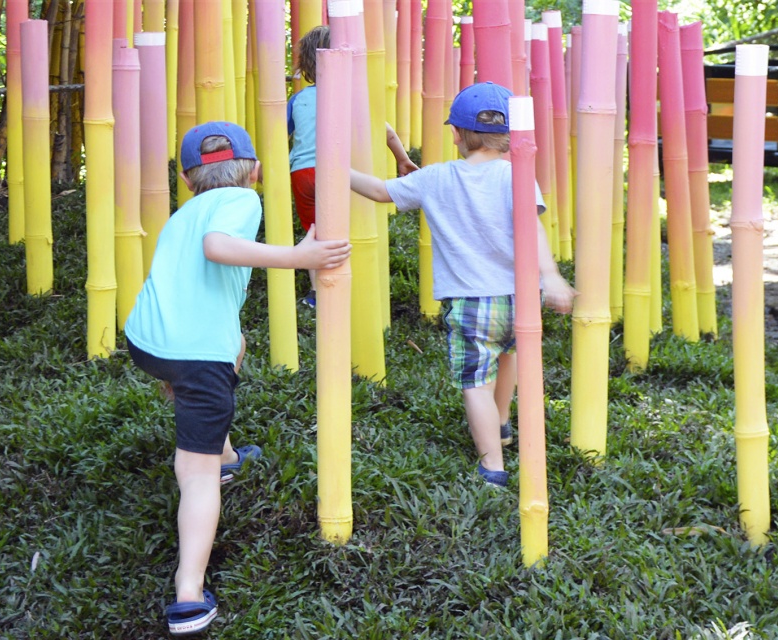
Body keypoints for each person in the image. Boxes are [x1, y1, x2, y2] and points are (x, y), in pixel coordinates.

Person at [124, 121, 351, 636]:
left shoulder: (184, 212)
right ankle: (187, 594)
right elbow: (218, 247)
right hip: (195, 355)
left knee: (238, 345)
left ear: (186, 179)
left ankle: (224, 454)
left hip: (147, 340)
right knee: (194, 472)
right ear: (256, 170)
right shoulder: (243, 201)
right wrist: (299, 258)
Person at [348, 82, 576, 488]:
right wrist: (552, 276)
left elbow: (381, 192)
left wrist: (337, 170)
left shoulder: (435, 178)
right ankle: (503, 422)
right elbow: (532, 229)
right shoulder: (516, 175)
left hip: (471, 303)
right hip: (519, 297)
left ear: (456, 134)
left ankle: (492, 465)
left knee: (474, 383)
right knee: (509, 356)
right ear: (507, 135)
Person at [289, 25, 419, 307]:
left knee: (316, 231)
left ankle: (316, 293)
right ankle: (350, 283)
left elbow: (283, 133)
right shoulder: (352, 97)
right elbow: (385, 131)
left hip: (301, 173)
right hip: (337, 171)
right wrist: (402, 158)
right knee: (344, 229)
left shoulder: (298, 99)